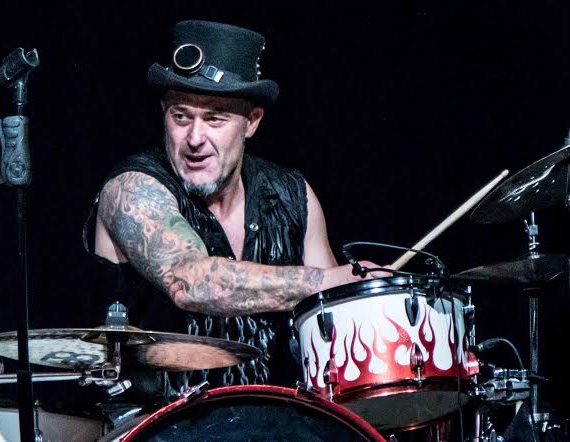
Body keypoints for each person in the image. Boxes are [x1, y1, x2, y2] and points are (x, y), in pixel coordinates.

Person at [84, 20, 379, 398]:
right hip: (157, 421)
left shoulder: (293, 195)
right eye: (180, 116)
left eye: (215, 118)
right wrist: (326, 280)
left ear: (251, 122)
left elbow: (331, 325)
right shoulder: (132, 189)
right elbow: (189, 282)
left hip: (276, 418)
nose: (194, 138)